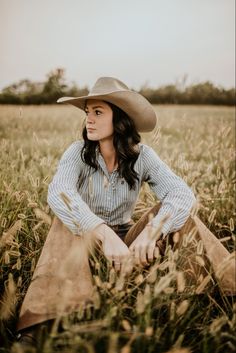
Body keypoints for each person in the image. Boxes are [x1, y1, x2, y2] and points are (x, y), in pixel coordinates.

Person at [16, 77, 235, 346]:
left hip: (133, 251)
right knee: (65, 219)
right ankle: (39, 325)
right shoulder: (77, 152)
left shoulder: (142, 156)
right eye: (88, 113)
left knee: (179, 215)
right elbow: (59, 192)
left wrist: (153, 232)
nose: (89, 120)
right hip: (85, 249)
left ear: (119, 119)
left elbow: (182, 194)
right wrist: (103, 234)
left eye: (98, 112)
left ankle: (220, 299)